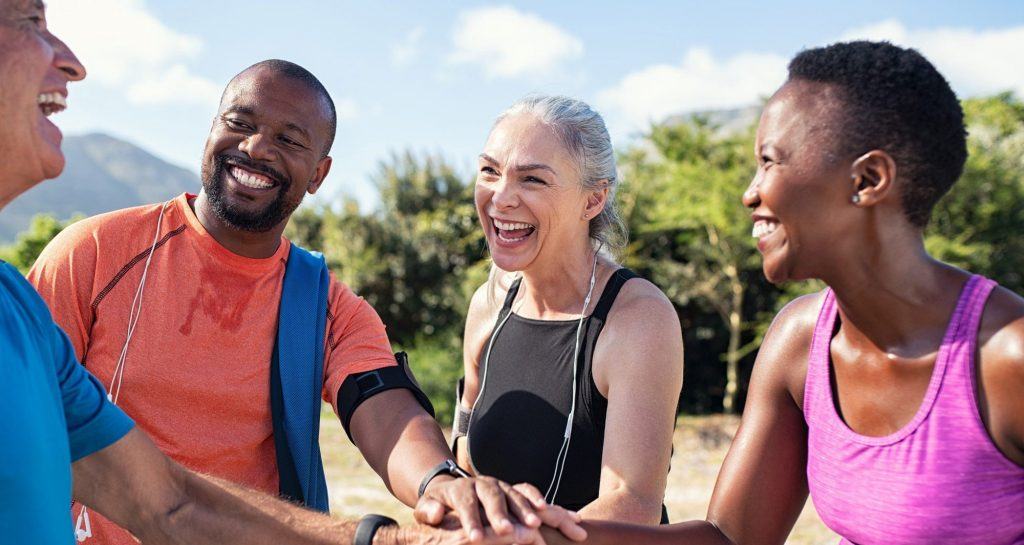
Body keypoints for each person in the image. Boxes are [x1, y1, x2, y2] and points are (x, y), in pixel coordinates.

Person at [2, 2, 584, 544]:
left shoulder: (325, 304)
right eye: (240, 121)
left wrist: (442, 483)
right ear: (209, 129)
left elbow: (382, 405)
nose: (256, 147)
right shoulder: (95, 252)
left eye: (289, 139)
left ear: (319, 173)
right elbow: (38, 431)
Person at [538, 40, 1024, 545]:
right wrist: (530, 533)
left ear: (869, 179)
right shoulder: (800, 341)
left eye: (770, 162)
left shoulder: (1007, 359)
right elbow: (730, 538)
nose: (750, 192)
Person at [452, 95, 685, 525]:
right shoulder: (487, 305)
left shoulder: (637, 320)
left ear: (593, 200)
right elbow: (465, 453)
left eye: (533, 180)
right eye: (490, 171)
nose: (500, 198)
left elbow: (633, 504)